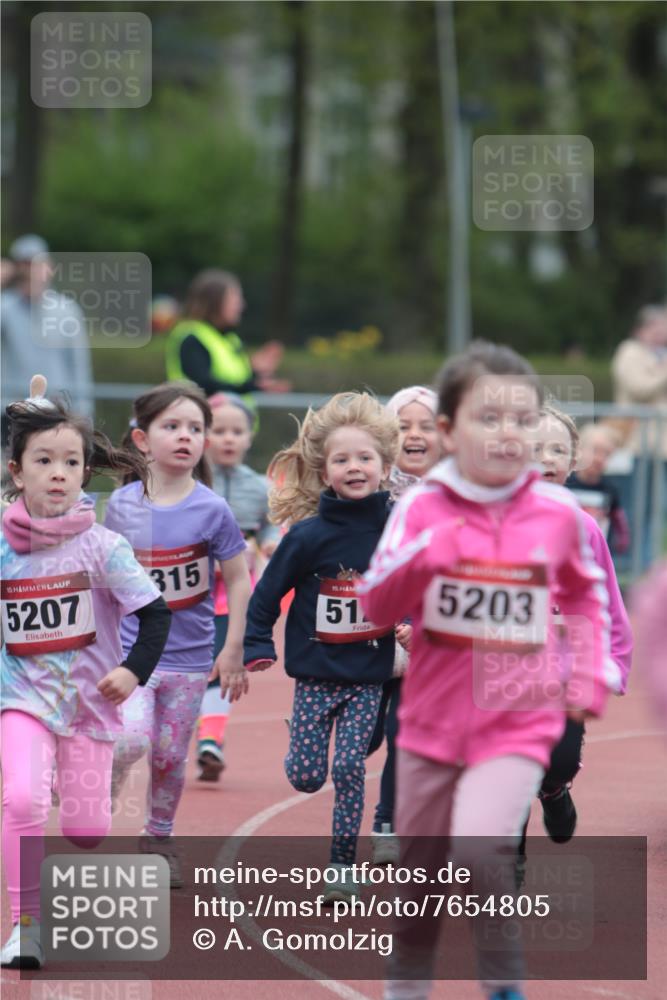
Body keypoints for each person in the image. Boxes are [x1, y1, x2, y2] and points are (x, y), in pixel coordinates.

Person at [357, 341, 618, 1000]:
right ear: (448, 430)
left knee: (481, 851)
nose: (507, 434)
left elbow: (586, 596)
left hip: (517, 718)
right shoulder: (419, 510)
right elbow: (376, 604)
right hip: (431, 725)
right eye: (488, 417)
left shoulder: (557, 516)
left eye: (521, 420)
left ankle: (503, 985)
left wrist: (590, 674)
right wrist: (426, 554)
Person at [0, 378, 171, 970]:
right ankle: (26, 926)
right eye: (43, 461)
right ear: (17, 472)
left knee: (87, 830)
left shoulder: (103, 548)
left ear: (85, 473)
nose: (58, 473)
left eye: (71, 462)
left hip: (89, 708)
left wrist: (132, 671)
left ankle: (68, 772)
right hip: (20, 699)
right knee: (22, 798)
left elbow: (156, 615)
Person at [243, 392, 401, 903]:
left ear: (384, 466)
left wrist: (410, 622)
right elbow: (267, 592)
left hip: (368, 674)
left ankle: (341, 867)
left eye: (364, 458)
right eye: (342, 459)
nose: (354, 467)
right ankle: (300, 744)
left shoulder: (398, 530)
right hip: (315, 671)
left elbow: (421, 582)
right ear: (324, 471)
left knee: (351, 768)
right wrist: (256, 642)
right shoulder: (308, 536)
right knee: (308, 778)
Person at [104, 382, 251, 886]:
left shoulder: (212, 510)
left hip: (190, 658)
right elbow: (105, 581)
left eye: (195, 428)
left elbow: (238, 578)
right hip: (132, 655)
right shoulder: (121, 507)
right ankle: (109, 775)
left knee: (169, 757)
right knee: (129, 740)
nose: (186, 436)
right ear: (142, 440)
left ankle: (159, 838)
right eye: (172, 426)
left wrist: (233, 648)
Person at [517, 403, 633, 878]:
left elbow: (609, 601)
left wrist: (614, 661)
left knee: (558, 761)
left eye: (556, 450)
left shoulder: (585, 528)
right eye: (534, 449)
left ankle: (555, 790)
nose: (546, 459)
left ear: (573, 461)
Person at [366, 386, 445, 865]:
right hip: (370, 633)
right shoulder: (370, 492)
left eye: (426, 426)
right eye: (402, 426)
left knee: (403, 730)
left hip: (426, 636)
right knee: (368, 733)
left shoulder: (455, 498)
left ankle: (387, 823)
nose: (414, 435)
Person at [196, 391, 281, 780]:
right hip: (190, 590)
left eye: (237, 431)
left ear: (249, 437)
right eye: (219, 431)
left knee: (223, 659)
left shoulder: (259, 487)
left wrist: (269, 543)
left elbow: (269, 526)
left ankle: (210, 740)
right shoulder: (191, 482)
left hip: (234, 591)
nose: (228, 439)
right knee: (191, 666)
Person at [165, 269, 290, 419]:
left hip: (231, 427)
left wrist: (256, 374)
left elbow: (234, 381)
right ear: (215, 301)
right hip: (205, 426)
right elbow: (203, 385)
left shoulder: (230, 339)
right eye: (235, 298)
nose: (241, 305)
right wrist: (253, 386)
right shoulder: (192, 337)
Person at [1, 235, 94, 419]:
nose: (31, 273)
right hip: (12, 409)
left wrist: (84, 414)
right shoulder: (4, 307)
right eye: (24, 266)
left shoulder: (67, 309)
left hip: (56, 409)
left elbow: (79, 364)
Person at [610, 304, 667, 569]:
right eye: (656, 326)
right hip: (635, 447)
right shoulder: (629, 352)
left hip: (660, 450)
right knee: (632, 510)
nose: (661, 332)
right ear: (641, 329)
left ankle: (645, 567)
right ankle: (624, 567)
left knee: (656, 510)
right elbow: (639, 388)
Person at [565, 421, 630, 556]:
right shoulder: (566, 483)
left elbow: (618, 517)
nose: (600, 458)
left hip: (597, 552)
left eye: (607, 454)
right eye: (595, 451)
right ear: (579, 450)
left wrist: (622, 538)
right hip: (567, 549)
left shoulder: (610, 489)